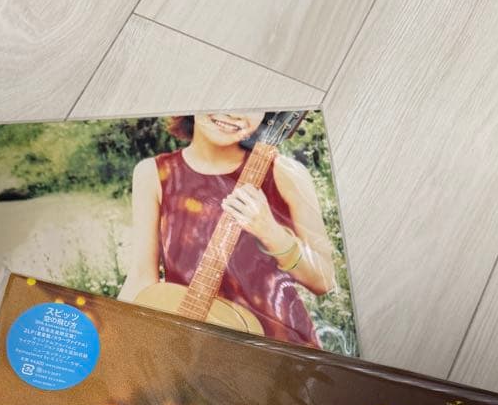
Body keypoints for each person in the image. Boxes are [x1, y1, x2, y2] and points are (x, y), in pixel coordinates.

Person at [118, 112, 336, 348]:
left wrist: (271, 231)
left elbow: (323, 281)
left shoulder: (285, 173)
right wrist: (116, 341)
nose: (234, 113)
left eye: (252, 105)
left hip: (279, 346)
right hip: (196, 347)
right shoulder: (154, 173)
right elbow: (142, 275)